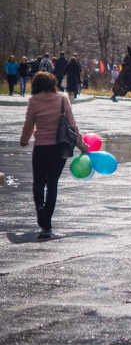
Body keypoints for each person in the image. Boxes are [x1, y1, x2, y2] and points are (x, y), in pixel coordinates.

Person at [20, 71, 88, 237]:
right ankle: (47, 219)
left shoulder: (33, 101)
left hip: (41, 148)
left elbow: (29, 124)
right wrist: (81, 144)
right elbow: (72, 125)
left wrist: (24, 139)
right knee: (52, 183)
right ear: (52, 83)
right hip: (60, 149)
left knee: (38, 182)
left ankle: (40, 211)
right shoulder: (63, 99)